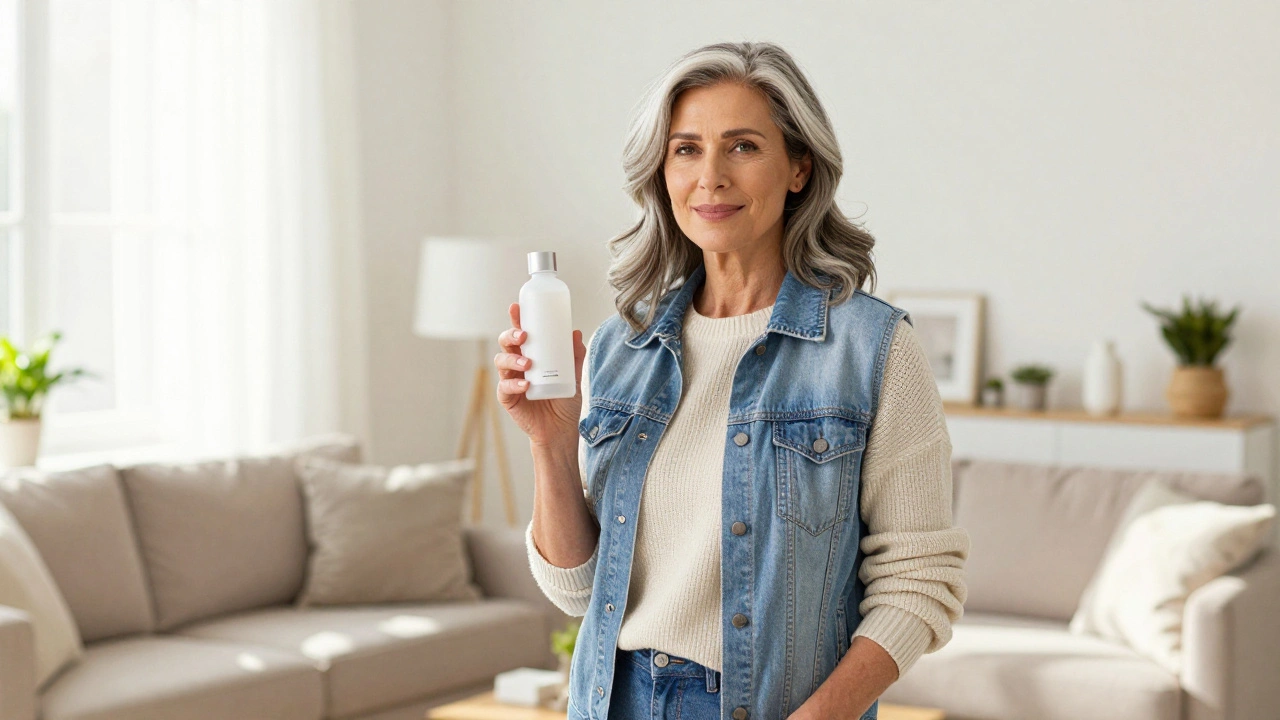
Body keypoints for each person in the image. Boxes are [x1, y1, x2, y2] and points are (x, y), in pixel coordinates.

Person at [496, 41, 969, 720]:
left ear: (799, 167)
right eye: (686, 149)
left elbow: (919, 583)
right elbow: (578, 592)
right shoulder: (618, 347)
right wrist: (549, 440)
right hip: (612, 700)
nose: (709, 176)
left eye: (742, 146)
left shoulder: (872, 347)